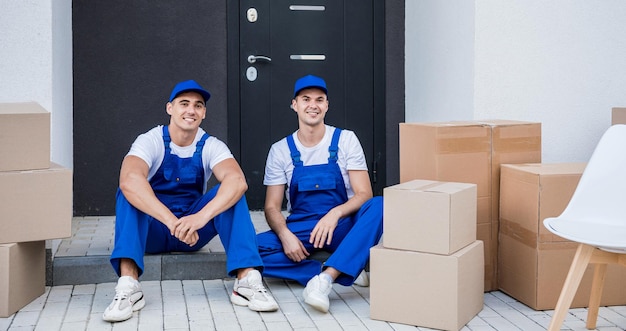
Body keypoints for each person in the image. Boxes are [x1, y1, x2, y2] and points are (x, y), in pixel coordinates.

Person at [103, 79, 278, 323]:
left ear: (204, 113)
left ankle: (247, 280)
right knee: (129, 192)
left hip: (192, 233)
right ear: (169, 108)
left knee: (231, 192)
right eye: (184, 103)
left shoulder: (210, 145)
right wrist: (172, 221)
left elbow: (237, 181)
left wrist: (200, 218)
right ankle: (129, 286)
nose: (190, 110)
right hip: (153, 231)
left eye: (198, 105)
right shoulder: (150, 140)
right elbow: (129, 179)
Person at [257, 74, 383, 313]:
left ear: (327, 105)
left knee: (379, 205)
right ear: (294, 105)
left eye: (319, 99)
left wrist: (335, 214)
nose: (312, 105)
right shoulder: (280, 150)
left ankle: (325, 280)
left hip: (341, 224)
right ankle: (341, 267)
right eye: (305, 99)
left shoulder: (346, 140)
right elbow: (271, 207)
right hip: (303, 226)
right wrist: (285, 235)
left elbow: (364, 193)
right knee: (248, 251)